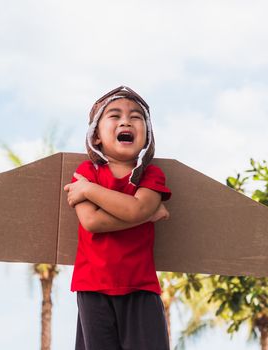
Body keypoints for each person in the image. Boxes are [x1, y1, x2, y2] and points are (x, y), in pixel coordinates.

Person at [63, 85, 172, 350]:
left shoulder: (150, 175)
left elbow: (135, 209)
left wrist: (90, 191)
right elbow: (92, 222)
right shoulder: (86, 171)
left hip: (140, 288)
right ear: (96, 136)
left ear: (147, 135)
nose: (126, 120)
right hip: (93, 288)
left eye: (136, 117)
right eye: (114, 115)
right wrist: (146, 215)